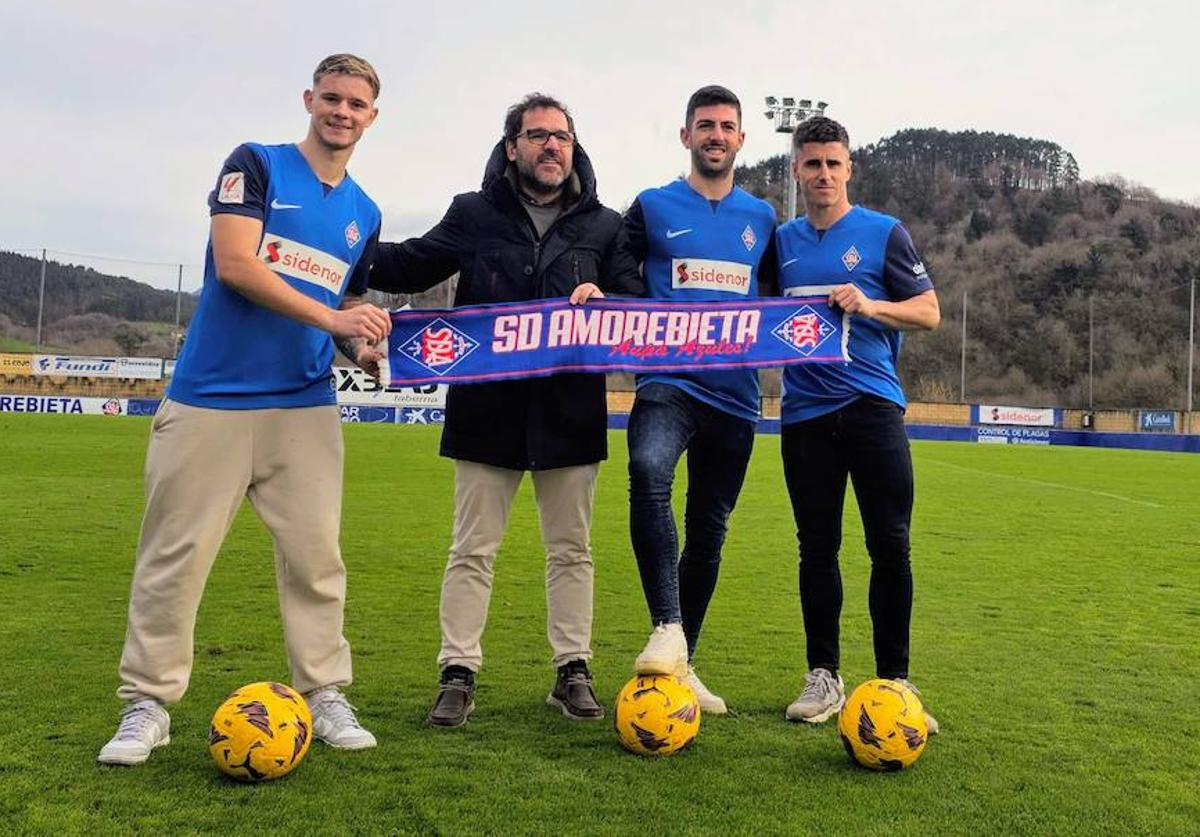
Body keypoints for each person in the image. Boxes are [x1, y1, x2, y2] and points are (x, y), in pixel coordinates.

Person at [98, 54, 390, 765]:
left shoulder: (365, 212)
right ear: (308, 99)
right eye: (331, 98)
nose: (341, 112)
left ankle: (323, 692)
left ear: (372, 116)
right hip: (211, 401)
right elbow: (237, 264)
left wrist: (368, 348)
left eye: (356, 103)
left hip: (305, 408)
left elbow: (344, 310)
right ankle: (148, 703)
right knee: (175, 557)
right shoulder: (255, 163)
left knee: (318, 561)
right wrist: (337, 321)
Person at [367, 93, 643, 727]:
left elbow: (636, 300)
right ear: (512, 146)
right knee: (472, 549)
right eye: (538, 135)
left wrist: (606, 296)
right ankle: (457, 671)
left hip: (570, 411)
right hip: (486, 411)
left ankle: (572, 668)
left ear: (574, 147)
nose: (552, 147)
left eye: (562, 137)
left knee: (571, 550)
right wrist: (345, 242)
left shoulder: (603, 226)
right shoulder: (472, 213)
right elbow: (410, 265)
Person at [774, 115, 941, 734]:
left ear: (849, 169)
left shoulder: (882, 233)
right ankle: (823, 675)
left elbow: (929, 312)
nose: (822, 174)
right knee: (816, 549)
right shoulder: (782, 241)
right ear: (796, 168)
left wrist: (870, 304)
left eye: (833, 164)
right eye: (811, 163)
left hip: (873, 408)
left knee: (889, 545)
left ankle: (895, 683)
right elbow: (748, 313)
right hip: (805, 417)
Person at [623, 85, 777, 714]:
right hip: (667, 382)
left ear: (742, 139)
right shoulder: (652, 206)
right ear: (685, 136)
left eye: (727, 126)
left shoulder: (764, 219)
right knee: (647, 469)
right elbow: (614, 271)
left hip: (736, 396)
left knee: (710, 531)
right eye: (705, 125)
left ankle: (684, 659)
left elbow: (779, 300)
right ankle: (666, 624)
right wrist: (588, 290)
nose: (716, 135)